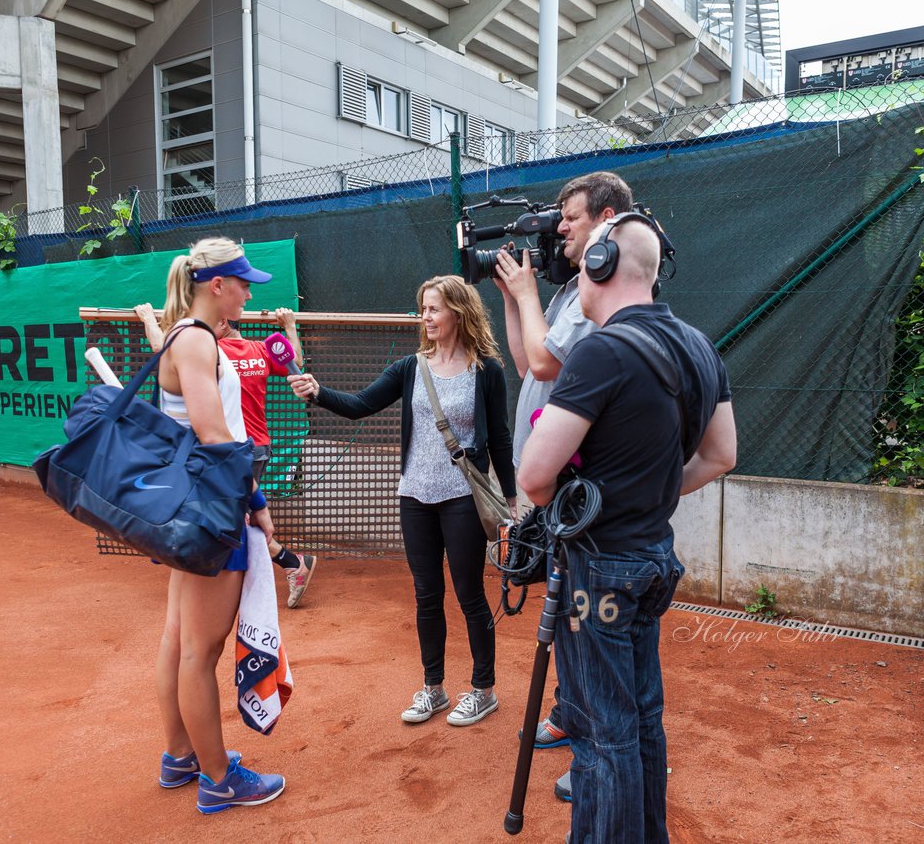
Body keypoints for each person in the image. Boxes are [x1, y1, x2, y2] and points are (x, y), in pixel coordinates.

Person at [517, 216, 737, 843]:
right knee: (642, 720)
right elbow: (722, 455)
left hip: (597, 570)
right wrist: (652, 492)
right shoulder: (699, 346)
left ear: (602, 263)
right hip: (652, 559)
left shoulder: (601, 350)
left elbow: (535, 476)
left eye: (582, 256)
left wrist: (587, 503)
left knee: (602, 731)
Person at [289, 275, 515, 726]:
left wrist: (509, 504)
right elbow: (360, 405)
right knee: (426, 594)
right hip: (414, 495)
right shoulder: (411, 367)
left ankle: (483, 689)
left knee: (470, 595)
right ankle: (433, 689)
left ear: (458, 311)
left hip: (462, 498)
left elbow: (502, 439)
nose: (426, 317)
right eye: (424, 309)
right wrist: (318, 392)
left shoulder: (486, 368)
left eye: (434, 309)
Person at [495, 171, 633, 763]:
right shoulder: (569, 290)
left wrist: (527, 296)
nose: (561, 227)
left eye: (570, 217)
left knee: (584, 614)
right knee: (565, 602)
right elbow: (529, 365)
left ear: (606, 219)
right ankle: (571, 711)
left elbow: (550, 366)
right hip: (554, 479)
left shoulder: (599, 291)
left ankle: (598, 742)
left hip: (581, 487)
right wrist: (512, 298)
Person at [151, 236, 286, 815]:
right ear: (217, 286)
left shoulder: (185, 337)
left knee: (179, 641)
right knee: (198, 654)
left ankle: (180, 755)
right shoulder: (200, 342)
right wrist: (255, 501)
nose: (249, 292)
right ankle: (216, 779)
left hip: (189, 506)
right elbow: (213, 434)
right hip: (212, 510)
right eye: (243, 282)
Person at [136, 303, 318, 608]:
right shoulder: (260, 350)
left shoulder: (212, 353)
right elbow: (295, 360)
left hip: (229, 451)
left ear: (221, 322)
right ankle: (288, 563)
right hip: (256, 448)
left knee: (236, 521)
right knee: (238, 517)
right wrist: (289, 324)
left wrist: (146, 319)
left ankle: (290, 564)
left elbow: (160, 347)